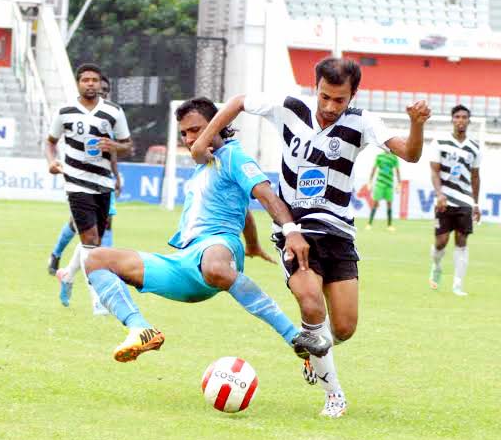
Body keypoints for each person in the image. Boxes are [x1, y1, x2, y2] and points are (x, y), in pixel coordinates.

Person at [190, 57, 431, 417]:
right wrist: (202, 144)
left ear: (353, 95)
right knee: (310, 303)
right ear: (314, 87)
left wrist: (416, 125)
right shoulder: (289, 108)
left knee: (345, 328)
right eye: (325, 97)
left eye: (340, 100)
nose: (331, 107)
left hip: (338, 233)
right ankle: (334, 395)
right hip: (295, 230)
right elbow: (238, 100)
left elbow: (410, 154)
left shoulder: (362, 122)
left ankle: (315, 353)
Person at [83, 97, 331, 365]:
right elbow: (243, 209)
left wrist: (291, 230)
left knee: (214, 265)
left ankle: (295, 336)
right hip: (185, 261)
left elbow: (266, 194)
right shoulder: (203, 167)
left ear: (217, 125)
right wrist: (254, 245)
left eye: (196, 130)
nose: (189, 139)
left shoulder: (234, 156)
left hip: (218, 247)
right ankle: (140, 328)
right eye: (184, 133)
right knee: (96, 259)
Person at [44, 63, 132, 314]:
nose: (91, 84)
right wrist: (52, 162)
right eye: (86, 80)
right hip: (76, 182)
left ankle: (67, 275)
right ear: (78, 83)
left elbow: (127, 145)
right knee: (92, 241)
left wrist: (114, 148)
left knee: (94, 241)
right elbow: (50, 142)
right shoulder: (65, 111)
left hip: (103, 183)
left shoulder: (113, 112)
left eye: (94, 80)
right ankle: (99, 300)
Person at [46, 75, 119, 277]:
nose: (100, 92)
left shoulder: (109, 117)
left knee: (106, 221)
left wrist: (117, 177)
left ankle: (104, 265)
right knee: (76, 223)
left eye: (104, 90)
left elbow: (111, 152)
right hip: (79, 179)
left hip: (103, 180)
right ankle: (56, 253)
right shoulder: (78, 117)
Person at [428, 104, 481, 297]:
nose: (461, 120)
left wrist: (475, 203)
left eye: (464, 117)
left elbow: (475, 176)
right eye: (457, 117)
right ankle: (436, 265)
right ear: (452, 119)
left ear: (469, 120)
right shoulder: (440, 142)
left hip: (465, 201)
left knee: (462, 240)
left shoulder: (474, 147)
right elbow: (434, 170)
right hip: (444, 200)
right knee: (441, 241)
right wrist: (439, 193)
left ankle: (458, 284)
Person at [366, 150, 401, 231]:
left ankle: (389, 225)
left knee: (389, 204)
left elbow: (397, 171)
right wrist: (370, 182)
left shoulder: (394, 157)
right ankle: (369, 224)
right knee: (375, 203)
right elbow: (373, 169)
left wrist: (399, 184)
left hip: (389, 184)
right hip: (379, 184)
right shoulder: (380, 156)